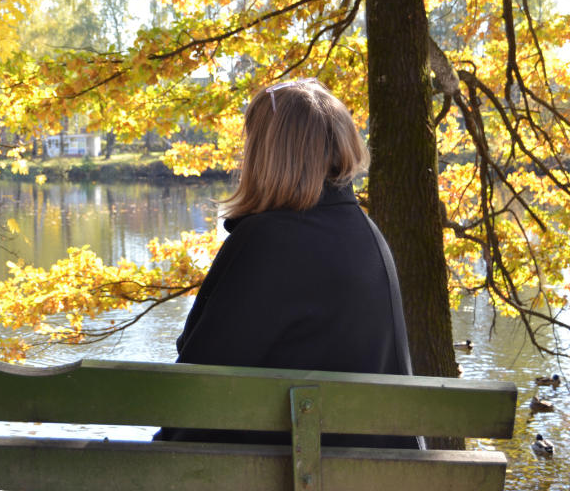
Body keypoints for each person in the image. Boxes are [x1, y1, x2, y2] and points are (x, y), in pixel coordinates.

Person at [155, 78, 419, 449]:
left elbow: (195, 388)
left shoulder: (266, 241)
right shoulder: (369, 236)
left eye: (250, 144)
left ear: (267, 154)